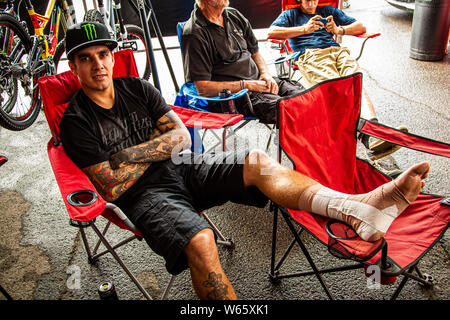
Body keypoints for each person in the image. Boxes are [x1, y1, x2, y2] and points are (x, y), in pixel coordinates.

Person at [59, 21, 430, 300]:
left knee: (256, 159)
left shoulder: (136, 88)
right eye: (85, 58)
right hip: (144, 196)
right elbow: (111, 183)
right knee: (202, 240)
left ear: (113, 56)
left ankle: (358, 208)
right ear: (73, 67)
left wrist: (124, 155)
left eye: (103, 54)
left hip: (184, 165)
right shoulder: (76, 122)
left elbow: (179, 139)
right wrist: (153, 151)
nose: (98, 65)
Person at [267, 0, 408, 160]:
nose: (312, 3)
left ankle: (373, 131)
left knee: (356, 83)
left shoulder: (328, 11)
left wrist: (339, 29)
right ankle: (366, 137)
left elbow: (361, 26)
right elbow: (271, 33)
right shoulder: (290, 14)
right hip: (311, 55)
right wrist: (304, 29)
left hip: (337, 52)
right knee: (337, 88)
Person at [181, 0, 305, 123]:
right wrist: (248, 85)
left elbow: (255, 52)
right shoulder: (194, 33)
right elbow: (203, 89)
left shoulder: (233, 15)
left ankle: (305, 141)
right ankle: (293, 141)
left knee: (308, 99)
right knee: (289, 111)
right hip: (234, 96)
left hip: (260, 81)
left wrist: (265, 73)